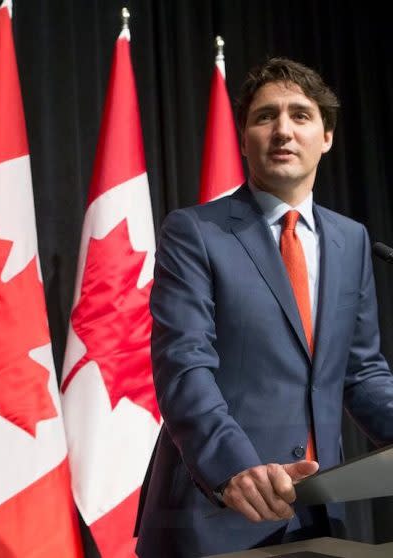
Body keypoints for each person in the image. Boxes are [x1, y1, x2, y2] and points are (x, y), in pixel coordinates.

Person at [135, 57, 393, 557]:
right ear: (244, 136)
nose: (282, 131)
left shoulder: (352, 240)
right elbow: (183, 365)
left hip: (320, 512)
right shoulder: (196, 232)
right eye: (264, 116)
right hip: (214, 511)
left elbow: (362, 373)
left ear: (327, 136)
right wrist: (232, 467)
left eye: (300, 115)